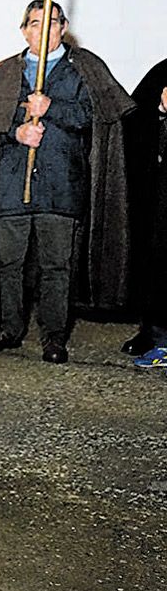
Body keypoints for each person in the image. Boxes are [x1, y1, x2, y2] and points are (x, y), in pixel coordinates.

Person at [0, 0, 135, 365]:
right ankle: (8, 329)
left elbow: (97, 117)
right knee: (9, 264)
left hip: (62, 186)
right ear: (23, 30)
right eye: (34, 24)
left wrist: (51, 109)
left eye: (51, 23)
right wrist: (16, 132)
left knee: (56, 267)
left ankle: (54, 337)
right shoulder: (3, 74)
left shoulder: (84, 69)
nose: (42, 31)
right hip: (13, 186)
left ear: (63, 27)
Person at [117, 59, 165, 367]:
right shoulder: (163, 72)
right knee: (155, 258)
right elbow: (132, 119)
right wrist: (159, 110)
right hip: (160, 192)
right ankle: (153, 331)